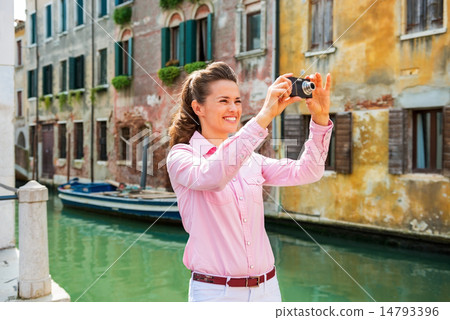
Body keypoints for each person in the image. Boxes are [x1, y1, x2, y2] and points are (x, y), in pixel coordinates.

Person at [167, 61, 333, 302]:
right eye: (223, 101)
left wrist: (320, 119)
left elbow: (308, 171)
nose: (233, 108)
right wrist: (264, 116)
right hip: (216, 296)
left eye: (237, 101)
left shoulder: (250, 159)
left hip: (268, 290)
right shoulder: (181, 156)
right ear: (198, 107)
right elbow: (212, 176)